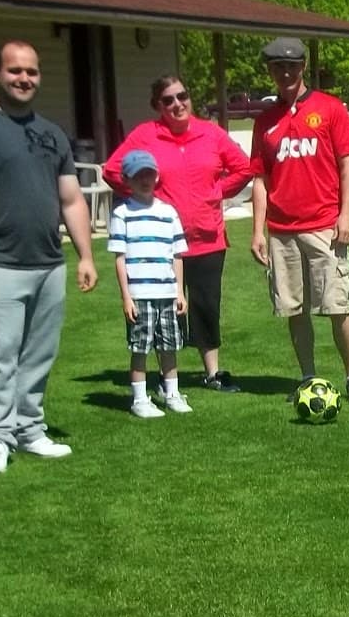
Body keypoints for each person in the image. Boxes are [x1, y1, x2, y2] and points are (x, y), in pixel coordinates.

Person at [0, 40, 98, 474]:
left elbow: (71, 199)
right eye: (15, 71)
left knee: (38, 354)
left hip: (48, 263)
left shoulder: (51, 133)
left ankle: (29, 429)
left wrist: (86, 256)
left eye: (31, 71)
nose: (24, 78)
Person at [102, 75, 254, 392]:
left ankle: (212, 373)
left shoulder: (211, 133)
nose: (177, 104)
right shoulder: (146, 135)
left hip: (207, 238)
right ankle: (166, 378)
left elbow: (244, 168)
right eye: (167, 100)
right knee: (162, 311)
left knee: (206, 307)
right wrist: (144, 199)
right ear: (158, 106)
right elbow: (112, 169)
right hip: (161, 244)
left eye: (181, 96)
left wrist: (217, 191)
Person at [247, 36, 349, 405]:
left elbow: (348, 164)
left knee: (338, 305)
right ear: (270, 71)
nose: (285, 73)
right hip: (282, 231)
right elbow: (261, 179)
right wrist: (257, 229)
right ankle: (307, 377)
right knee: (294, 308)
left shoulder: (330, 109)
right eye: (277, 67)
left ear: (302, 68)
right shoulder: (265, 121)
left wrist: (346, 214)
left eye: (291, 66)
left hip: (324, 226)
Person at [107, 149, 191, 418]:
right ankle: (140, 399)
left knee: (169, 345)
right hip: (140, 293)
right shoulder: (122, 214)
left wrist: (179, 291)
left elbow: (176, 254)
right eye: (138, 175)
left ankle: (172, 393)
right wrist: (126, 297)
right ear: (127, 180)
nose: (145, 180)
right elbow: (120, 258)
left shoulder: (168, 212)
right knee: (140, 347)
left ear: (156, 177)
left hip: (166, 291)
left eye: (149, 174)